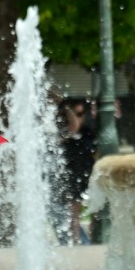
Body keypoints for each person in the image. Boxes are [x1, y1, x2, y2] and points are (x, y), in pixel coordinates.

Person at [58, 99, 96, 245]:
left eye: (82, 113)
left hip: (88, 175)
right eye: (78, 114)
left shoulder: (87, 132)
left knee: (95, 213)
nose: (81, 117)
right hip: (73, 177)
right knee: (74, 216)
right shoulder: (63, 132)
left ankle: (91, 241)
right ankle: (76, 243)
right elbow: (73, 127)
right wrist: (68, 110)